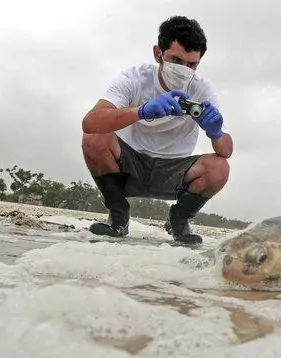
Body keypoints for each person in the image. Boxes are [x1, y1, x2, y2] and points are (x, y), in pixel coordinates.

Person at [81, 15, 233, 245]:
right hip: (128, 163)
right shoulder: (134, 77)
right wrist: (140, 111)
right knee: (95, 137)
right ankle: (118, 216)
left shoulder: (203, 89)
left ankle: (179, 220)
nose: (184, 70)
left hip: (173, 172)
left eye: (192, 64)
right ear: (158, 53)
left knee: (219, 167)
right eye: (176, 60)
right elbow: (90, 123)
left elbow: (226, 151)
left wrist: (216, 132)